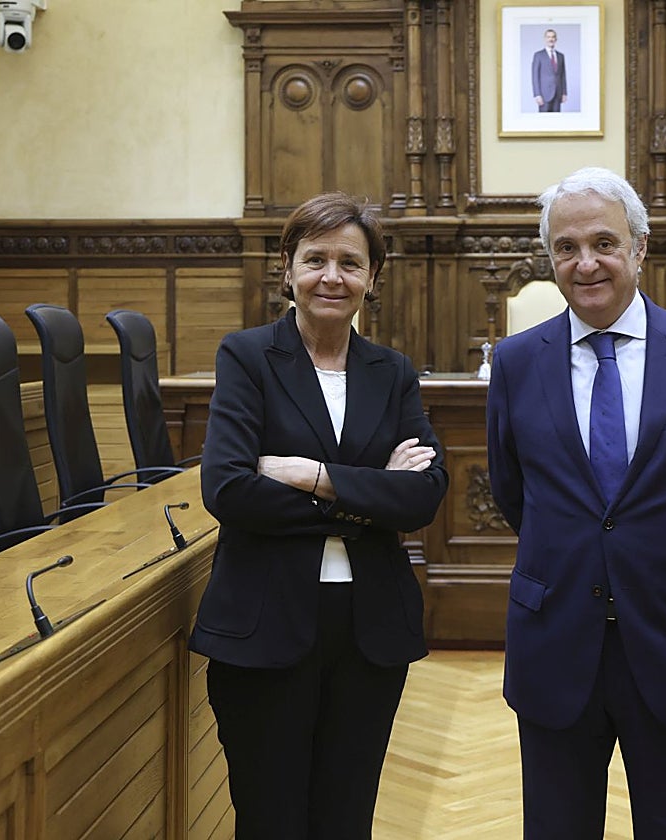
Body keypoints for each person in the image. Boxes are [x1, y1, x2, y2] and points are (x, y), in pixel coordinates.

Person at [486, 166, 666, 839]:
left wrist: (662, 559)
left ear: (639, 248)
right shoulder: (517, 361)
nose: (586, 264)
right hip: (556, 641)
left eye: (604, 243)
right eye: (566, 247)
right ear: (550, 256)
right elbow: (511, 488)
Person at [190, 192, 448, 839]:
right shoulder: (247, 357)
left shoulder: (392, 373)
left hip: (369, 633)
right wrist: (368, 497)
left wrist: (312, 475)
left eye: (350, 263)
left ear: (372, 278)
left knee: (345, 818)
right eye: (316, 259)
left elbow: (423, 495)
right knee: (271, 819)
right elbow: (228, 489)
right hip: (264, 623)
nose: (332, 276)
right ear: (287, 268)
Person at [531, 28, 567, 112]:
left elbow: (563, 75)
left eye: (553, 37)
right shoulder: (538, 55)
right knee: (543, 122)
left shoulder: (560, 56)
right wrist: (537, 94)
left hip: (558, 94)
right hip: (544, 95)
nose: (551, 39)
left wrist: (564, 93)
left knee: (556, 121)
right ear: (545, 39)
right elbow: (535, 76)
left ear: (556, 39)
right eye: (548, 37)